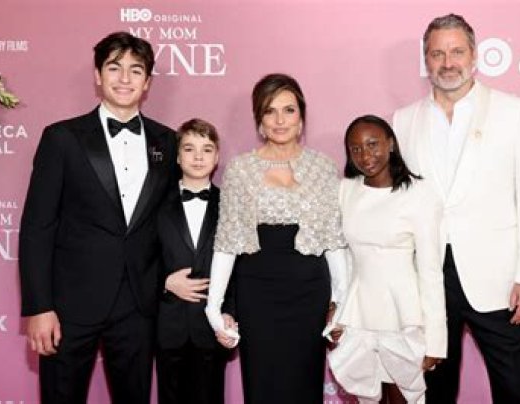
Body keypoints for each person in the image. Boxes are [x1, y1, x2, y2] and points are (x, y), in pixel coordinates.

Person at [392, 13, 520, 404]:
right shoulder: (403, 121)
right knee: (434, 391)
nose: (448, 62)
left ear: (474, 55)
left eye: (457, 52)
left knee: (515, 389)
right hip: (427, 280)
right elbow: (398, 204)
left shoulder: (513, 112)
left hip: (498, 281)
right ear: (426, 60)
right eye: (437, 54)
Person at [18, 32, 177, 403]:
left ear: (147, 82)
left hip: (138, 304)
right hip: (69, 304)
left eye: (135, 70)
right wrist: (39, 307)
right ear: (97, 75)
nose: (125, 78)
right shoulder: (62, 138)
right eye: (114, 68)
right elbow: (37, 227)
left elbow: (171, 222)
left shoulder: (168, 142)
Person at [203, 73, 348, 404]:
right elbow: (227, 243)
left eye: (289, 110)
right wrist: (214, 307)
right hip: (258, 293)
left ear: (301, 117)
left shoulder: (322, 167)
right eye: (270, 111)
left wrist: (341, 302)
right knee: (263, 382)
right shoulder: (240, 169)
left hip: (310, 293)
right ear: (259, 119)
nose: (280, 120)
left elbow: (333, 240)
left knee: (304, 383)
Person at [327, 115, 446, 404]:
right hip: (359, 312)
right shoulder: (346, 190)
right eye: (356, 149)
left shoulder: (419, 194)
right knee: (367, 396)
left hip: (403, 313)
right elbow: (344, 258)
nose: (365, 155)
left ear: (390, 144)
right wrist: (337, 309)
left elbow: (430, 271)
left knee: (404, 395)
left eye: (373, 144)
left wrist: (436, 341)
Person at [155, 118, 232, 404]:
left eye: (206, 149)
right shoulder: (155, 204)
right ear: (177, 157)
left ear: (217, 157)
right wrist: (165, 282)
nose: (198, 157)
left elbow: (240, 267)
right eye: (189, 149)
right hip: (167, 325)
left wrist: (230, 313)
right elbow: (141, 258)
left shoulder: (230, 205)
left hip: (212, 328)